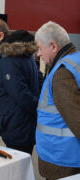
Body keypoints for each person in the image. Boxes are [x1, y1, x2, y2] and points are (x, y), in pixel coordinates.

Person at [35, 21, 80, 179]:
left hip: (63, 161)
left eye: (40, 48)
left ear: (53, 46)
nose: (38, 54)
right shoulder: (76, 60)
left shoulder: (62, 73)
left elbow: (76, 120)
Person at [0, 30, 40, 155]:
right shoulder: (29, 58)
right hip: (24, 123)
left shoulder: (10, 61)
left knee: (18, 165)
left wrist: (39, 109)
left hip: (16, 123)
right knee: (24, 161)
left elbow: (20, 94)